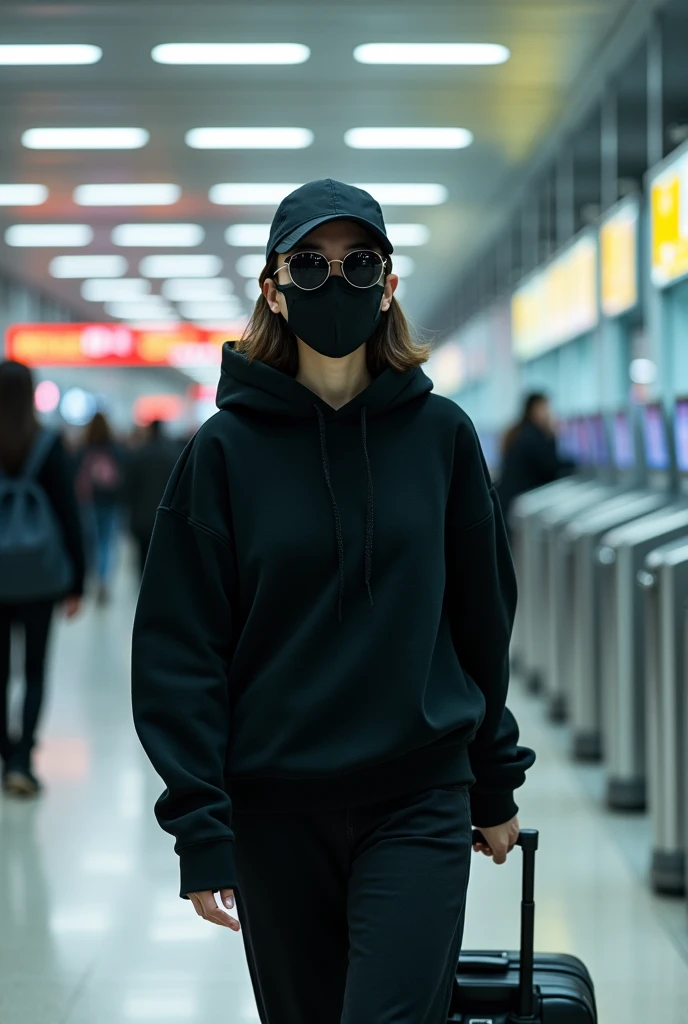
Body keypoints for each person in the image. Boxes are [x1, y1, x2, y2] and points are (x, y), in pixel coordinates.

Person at [131, 180, 535, 1024]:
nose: (335, 280)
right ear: (272, 289)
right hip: (274, 811)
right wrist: (201, 823)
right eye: (309, 264)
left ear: (389, 287)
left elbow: (481, 620)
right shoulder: (223, 454)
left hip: (418, 795)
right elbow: (181, 650)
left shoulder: (443, 438)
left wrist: (492, 779)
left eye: (360, 263)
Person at [0, 361, 85, 796]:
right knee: (34, 669)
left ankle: (5, 750)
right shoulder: (49, 444)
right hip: (40, 578)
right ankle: (22, 760)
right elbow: (70, 515)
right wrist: (78, 582)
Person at [497, 391, 574, 528]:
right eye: (546, 408)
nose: (549, 413)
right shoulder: (532, 437)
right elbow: (551, 467)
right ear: (535, 409)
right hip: (519, 502)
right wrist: (552, 436)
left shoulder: (521, 432)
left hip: (511, 501)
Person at [75, 412, 124, 605]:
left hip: (88, 500)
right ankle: (103, 579)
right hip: (111, 501)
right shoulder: (114, 448)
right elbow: (122, 475)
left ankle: (95, 577)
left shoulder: (83, 447)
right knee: (106, 542)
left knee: (91, 542)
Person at [124, 419, 179, 578]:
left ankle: (144, 590)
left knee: (143, 559)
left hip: (142, 518)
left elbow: (129, 488)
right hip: (166, 517)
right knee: (163, 558)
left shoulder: (140, 455)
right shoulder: (173, 455)